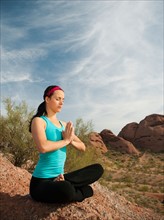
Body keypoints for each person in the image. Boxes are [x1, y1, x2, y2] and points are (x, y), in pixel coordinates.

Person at [29, 85, 104, 203]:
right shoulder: (39, 121)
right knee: (67, 190)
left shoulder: (63, 125)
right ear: (47, 99)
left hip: (60, 177)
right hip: (41, 182)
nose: (61, 103)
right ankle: (81, 191)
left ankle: (67, 184)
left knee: (98, 169)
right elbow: (43, 147)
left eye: (63, 100)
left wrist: (71, 141)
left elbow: (82, 147)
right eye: (58, 99)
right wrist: (66, 141)